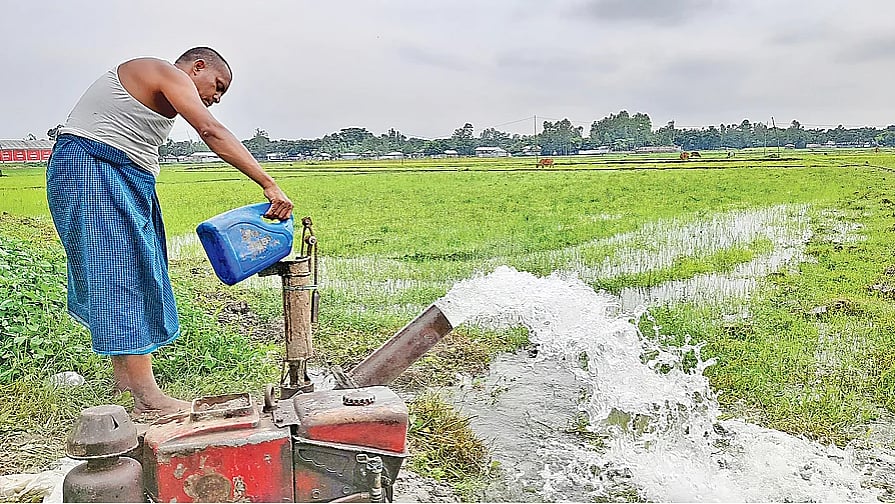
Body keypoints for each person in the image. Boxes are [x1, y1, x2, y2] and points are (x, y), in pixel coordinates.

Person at [46, 47, 293, 415]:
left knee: (132, 269)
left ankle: (127, 383)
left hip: (116, 175)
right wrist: (269, 184)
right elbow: (210, 130)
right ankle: (147, 398)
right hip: (95, 170)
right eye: (217, 85)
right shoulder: (163, 71)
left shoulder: (160, 89)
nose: (216, 97)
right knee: (120, 272)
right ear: (197, 67)